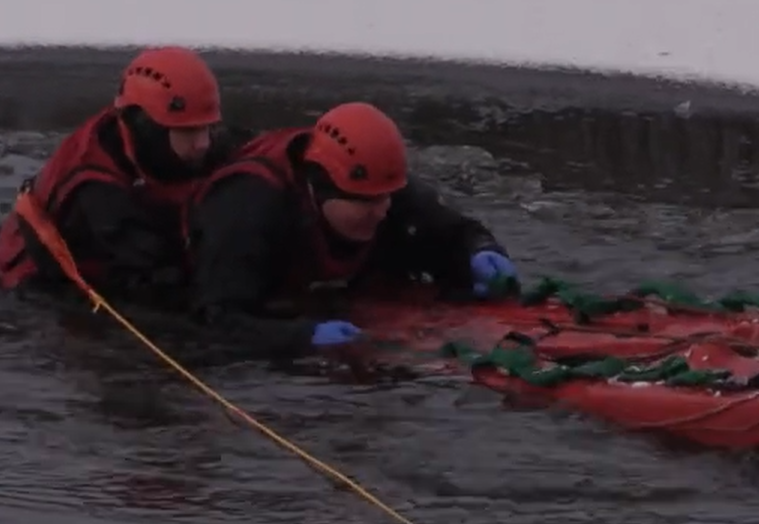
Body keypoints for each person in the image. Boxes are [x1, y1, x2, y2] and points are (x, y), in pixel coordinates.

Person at [187, 101, 519, 359]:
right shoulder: (248, 209)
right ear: (321, 190)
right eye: (365, 203)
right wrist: (301, 338)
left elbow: (452, 232)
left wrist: (480, 250)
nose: (381, 212)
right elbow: (219, 318)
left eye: (386, 198)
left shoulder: (383, 187)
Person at [0, 45, 255, 306]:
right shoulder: (99, 191)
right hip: (28, 289)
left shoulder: (152, 133)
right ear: (146, 127)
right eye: (189, 132)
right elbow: (163, 275)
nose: (203, 143)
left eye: (206, 128)